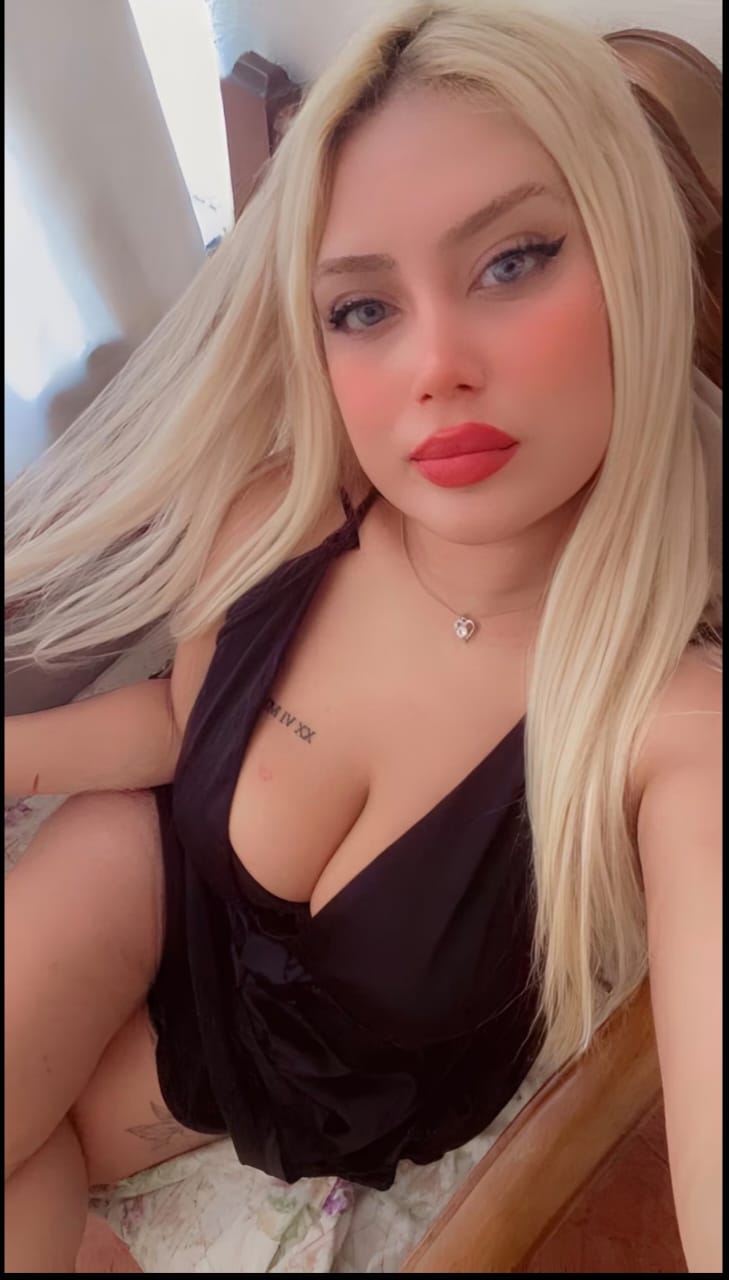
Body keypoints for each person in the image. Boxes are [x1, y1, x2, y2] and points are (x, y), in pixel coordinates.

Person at [4, 0, 721, 1271]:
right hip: (160, 883)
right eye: (363, 308)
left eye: (514, 260)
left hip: (306, 1076)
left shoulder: (675, 729)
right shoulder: (279, 518)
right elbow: (187, 718)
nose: (436, 364)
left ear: (638, 257)